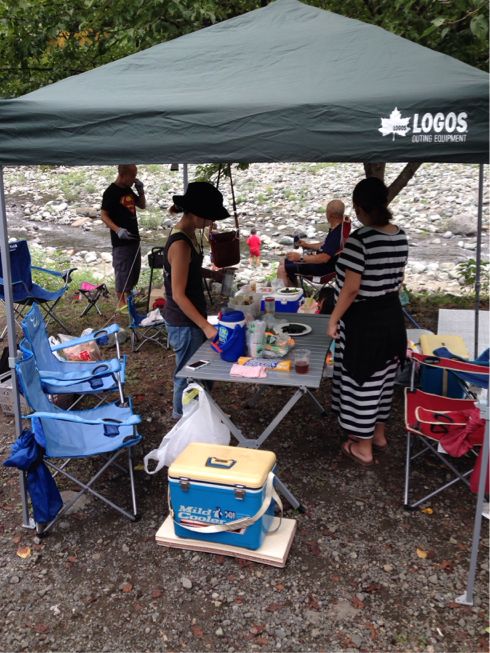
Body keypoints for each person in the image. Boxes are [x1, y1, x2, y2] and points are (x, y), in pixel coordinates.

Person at [327, 177, 409, 466]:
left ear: (359, 207)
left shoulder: (359, 241)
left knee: (362, 382)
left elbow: (351, 289)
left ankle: (363, 447)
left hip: (364, 322)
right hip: (391, 317)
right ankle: (378, 435)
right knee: (384, 379)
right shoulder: (399, 235)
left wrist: (333, 319)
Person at [163, 182, 230, 419]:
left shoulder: (189, 235)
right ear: (197, 213)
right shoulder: (180, 243)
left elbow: (187, 270)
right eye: (210, 217)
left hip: (192, 317)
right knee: (187, 373)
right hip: (184, 321)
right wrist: (206, 326)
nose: (211, 222)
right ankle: (181, 418)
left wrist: (213, 274)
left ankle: (201, 414)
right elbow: (178, 294)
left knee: (203, 367)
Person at [101, 164, 146, 308]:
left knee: (133, 270)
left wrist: (140, 191)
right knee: (122, 270)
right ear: (122, 175)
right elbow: (103, 215)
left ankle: (129, 299)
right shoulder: (111, 192)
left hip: (134, 237)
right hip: (121, 241)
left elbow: (142, 205)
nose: (134, 179)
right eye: (132, 176)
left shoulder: (128, 189)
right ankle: (121, 304)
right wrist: (117, 230)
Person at [277, 199, 345, 286]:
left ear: (330, 215)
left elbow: (324, 258)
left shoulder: (336, 234)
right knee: (283, 260)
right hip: (326, 266)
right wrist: (307, 245)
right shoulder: (340, 228)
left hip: (321, 269)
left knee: (282, 269)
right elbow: (325, 245)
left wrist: (300, 257)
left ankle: (284, 293)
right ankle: (295, 291)